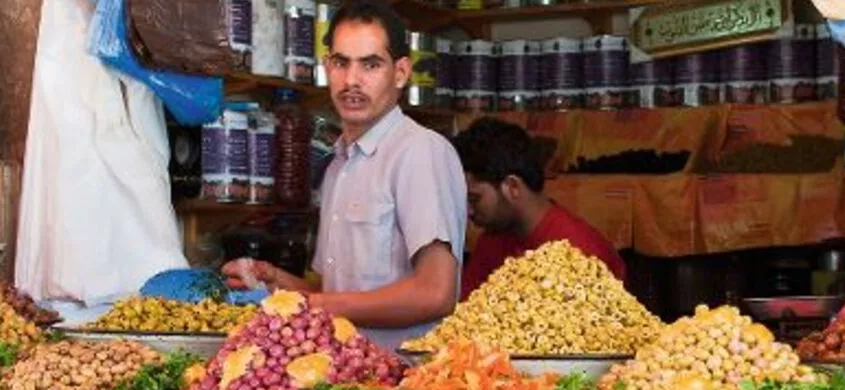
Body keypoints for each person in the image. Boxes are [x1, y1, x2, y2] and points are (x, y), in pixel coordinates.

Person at [223, 0, 466, 350]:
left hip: (405, 384)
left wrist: (312, 306)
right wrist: (278, 285)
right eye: (341, 63)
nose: (352, 80)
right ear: (326, 67)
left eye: (371, 64)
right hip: (343, 378)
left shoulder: (419, 152)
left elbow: (435, 293)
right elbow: (339, 296)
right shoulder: (339, 164)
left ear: (400, 73)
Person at [451, 117, 625, 299]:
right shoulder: (492, 240)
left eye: (474, 198)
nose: (469, 210)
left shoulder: (579, 252)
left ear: (512, 187)